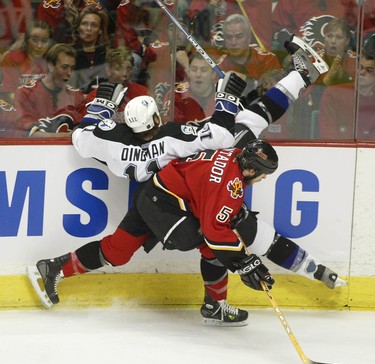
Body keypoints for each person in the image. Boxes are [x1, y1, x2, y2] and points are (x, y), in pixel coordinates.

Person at [27, 37, 342, 326]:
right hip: (165, 199)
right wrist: (228, 99)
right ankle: (301, 74)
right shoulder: (172, 135)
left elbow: (83, 136)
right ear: (155, 118)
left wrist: (100, 107)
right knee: (248, 129)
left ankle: (55, 267)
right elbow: (219, 133)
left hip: (169, 189)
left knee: (119, 250)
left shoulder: (110, 142)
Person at [13, 43, 85, 137]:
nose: (69, 73)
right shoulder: (25, 93)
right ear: (51, 65)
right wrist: (68, 136)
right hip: (35, 150)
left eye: (72, 68)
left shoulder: (76, 96)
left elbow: (84, 132)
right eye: (64, 67)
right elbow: (31, 135)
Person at [319, 36, 375, 140]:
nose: (362, 73)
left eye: (369, 70)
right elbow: (328, 139)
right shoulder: (333, 94)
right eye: (360, 67)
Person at [214, 14, 281, 95]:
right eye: (229, 37)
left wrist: (246, 81)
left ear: (249, 37)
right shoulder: (219, 67)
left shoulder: (268, 59)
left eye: (239, 37)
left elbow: (276, 95)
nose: (233, 42)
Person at [83, 47, 150, 123]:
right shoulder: (94, 97)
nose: (125, 74)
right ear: (108, 70)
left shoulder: (142, 93)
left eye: (128, 68)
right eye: (119, 69)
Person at [0, 19, 52, 104]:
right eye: (34, 40)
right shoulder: (12, 58)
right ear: (27, 40)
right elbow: (8, 93)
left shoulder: (52, 60)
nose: (39, 46)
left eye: (44, 41)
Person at [189, 0, 273, 50]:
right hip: (211, 58)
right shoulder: (202, 2)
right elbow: (196, 29)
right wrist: (210, 8)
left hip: (244, 59)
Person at [70, 6, 110, 93]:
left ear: (100, 30)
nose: (88, 29)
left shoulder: (107, 54)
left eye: (94, 25)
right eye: (84, 24)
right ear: (78, 27)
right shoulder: (69, 53)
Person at [36, 0, 102, 44]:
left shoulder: (94, 7)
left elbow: (101, 42)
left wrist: (76, 21)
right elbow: (43, 44)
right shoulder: (47, 7)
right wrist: (66, 22)